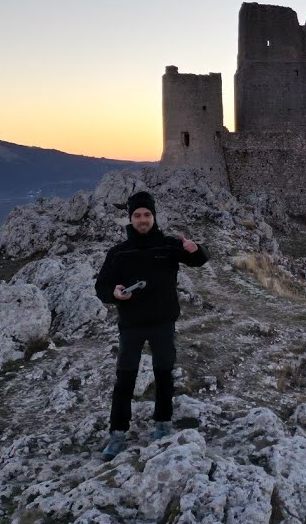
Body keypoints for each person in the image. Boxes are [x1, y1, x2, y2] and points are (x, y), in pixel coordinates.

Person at [94, 190, 208, 460]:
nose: (142, 219)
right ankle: (118, 433)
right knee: (125, 379)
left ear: (154, 217)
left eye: (147, 214)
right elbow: (102, 288)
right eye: (137, 215)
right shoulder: (119, 253)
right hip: (131, 325)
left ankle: (163, 424)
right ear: (130, 219)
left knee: (164, 375)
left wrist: (196, 250)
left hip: (163, 323)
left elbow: (199, 260)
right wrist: (115, 294)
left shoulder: (168, 246)